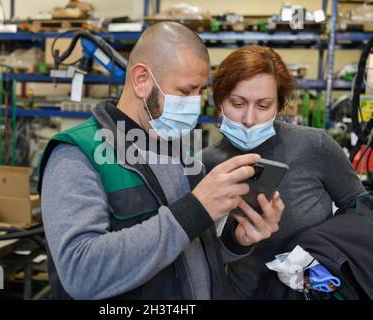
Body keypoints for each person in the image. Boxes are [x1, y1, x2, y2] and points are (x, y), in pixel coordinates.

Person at [37, 23, 284, 300]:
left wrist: (237, 239)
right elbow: (81, 272)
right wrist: (194, 209)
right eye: (185, 90)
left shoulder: (179, 151)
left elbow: (192, 251)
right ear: (142, 80)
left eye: (199, 92)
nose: (194, 104)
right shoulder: (76, 155)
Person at [203, 46, 368, 299]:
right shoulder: (206, 164)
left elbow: (358, 208)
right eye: (237, 103)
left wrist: (323, 250)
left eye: (263, 105)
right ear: (219, 102)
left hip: (312, 291)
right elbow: (202, 252)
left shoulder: (315, 146)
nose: (249, 118)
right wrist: (237, 240)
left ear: (279, 105)